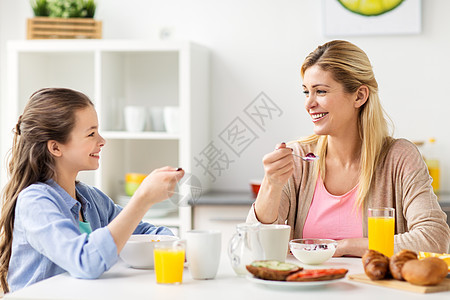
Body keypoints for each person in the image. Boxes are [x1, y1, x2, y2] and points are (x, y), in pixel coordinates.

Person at [247, 40, 450, 257]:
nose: (309, 103)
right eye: (306, 92)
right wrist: (272, 184)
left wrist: (344, 246)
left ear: (359, 96)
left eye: (321, 91)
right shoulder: (298, 158)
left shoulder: (399, 157)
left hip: (378, 289)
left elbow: (434, 239)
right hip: (308, 286)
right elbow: (255, 246)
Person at [0, 88, 185, 293]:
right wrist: (142, 199)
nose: (102, 141)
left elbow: (150, 234)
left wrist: (178, 247)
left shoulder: (91, 198)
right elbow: (85, 261)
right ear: (55, 148)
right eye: (91, 134)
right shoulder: (34, 202)